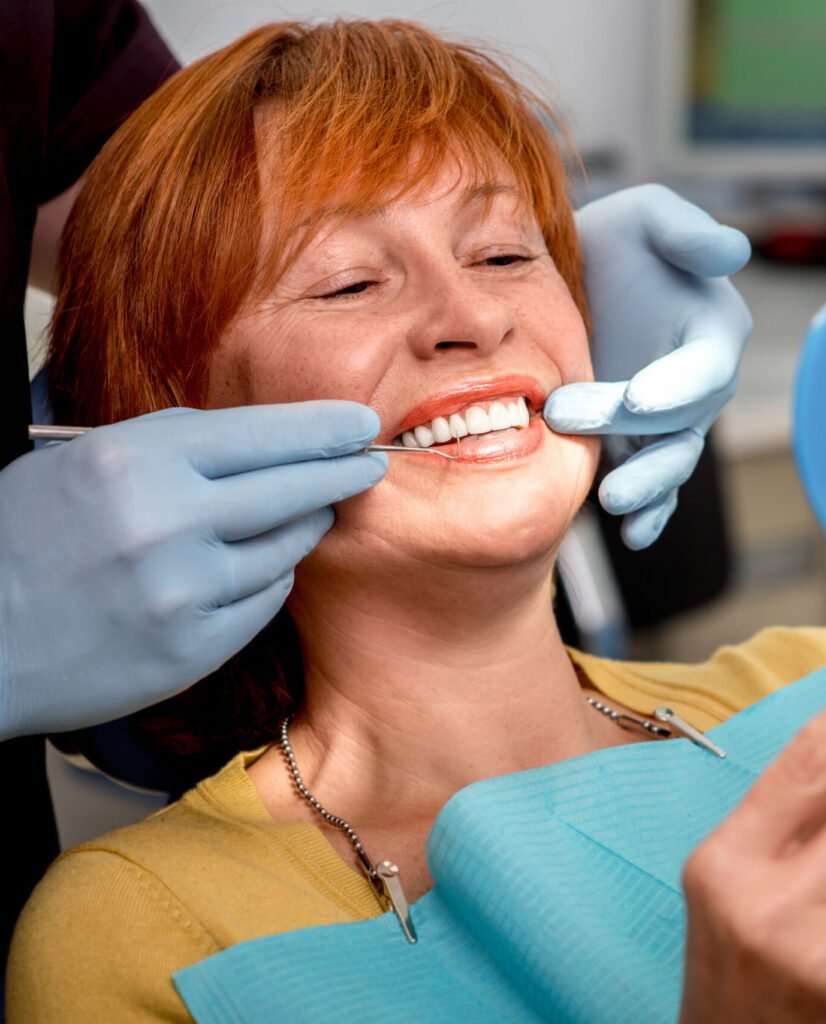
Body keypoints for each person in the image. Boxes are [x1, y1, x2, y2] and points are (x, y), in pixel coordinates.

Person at [6, 20, 824, 1023]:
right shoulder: (142, 933)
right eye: (350, 281)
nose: (471, 317)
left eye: (504, 252)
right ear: (172, 422)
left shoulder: (804, 690)